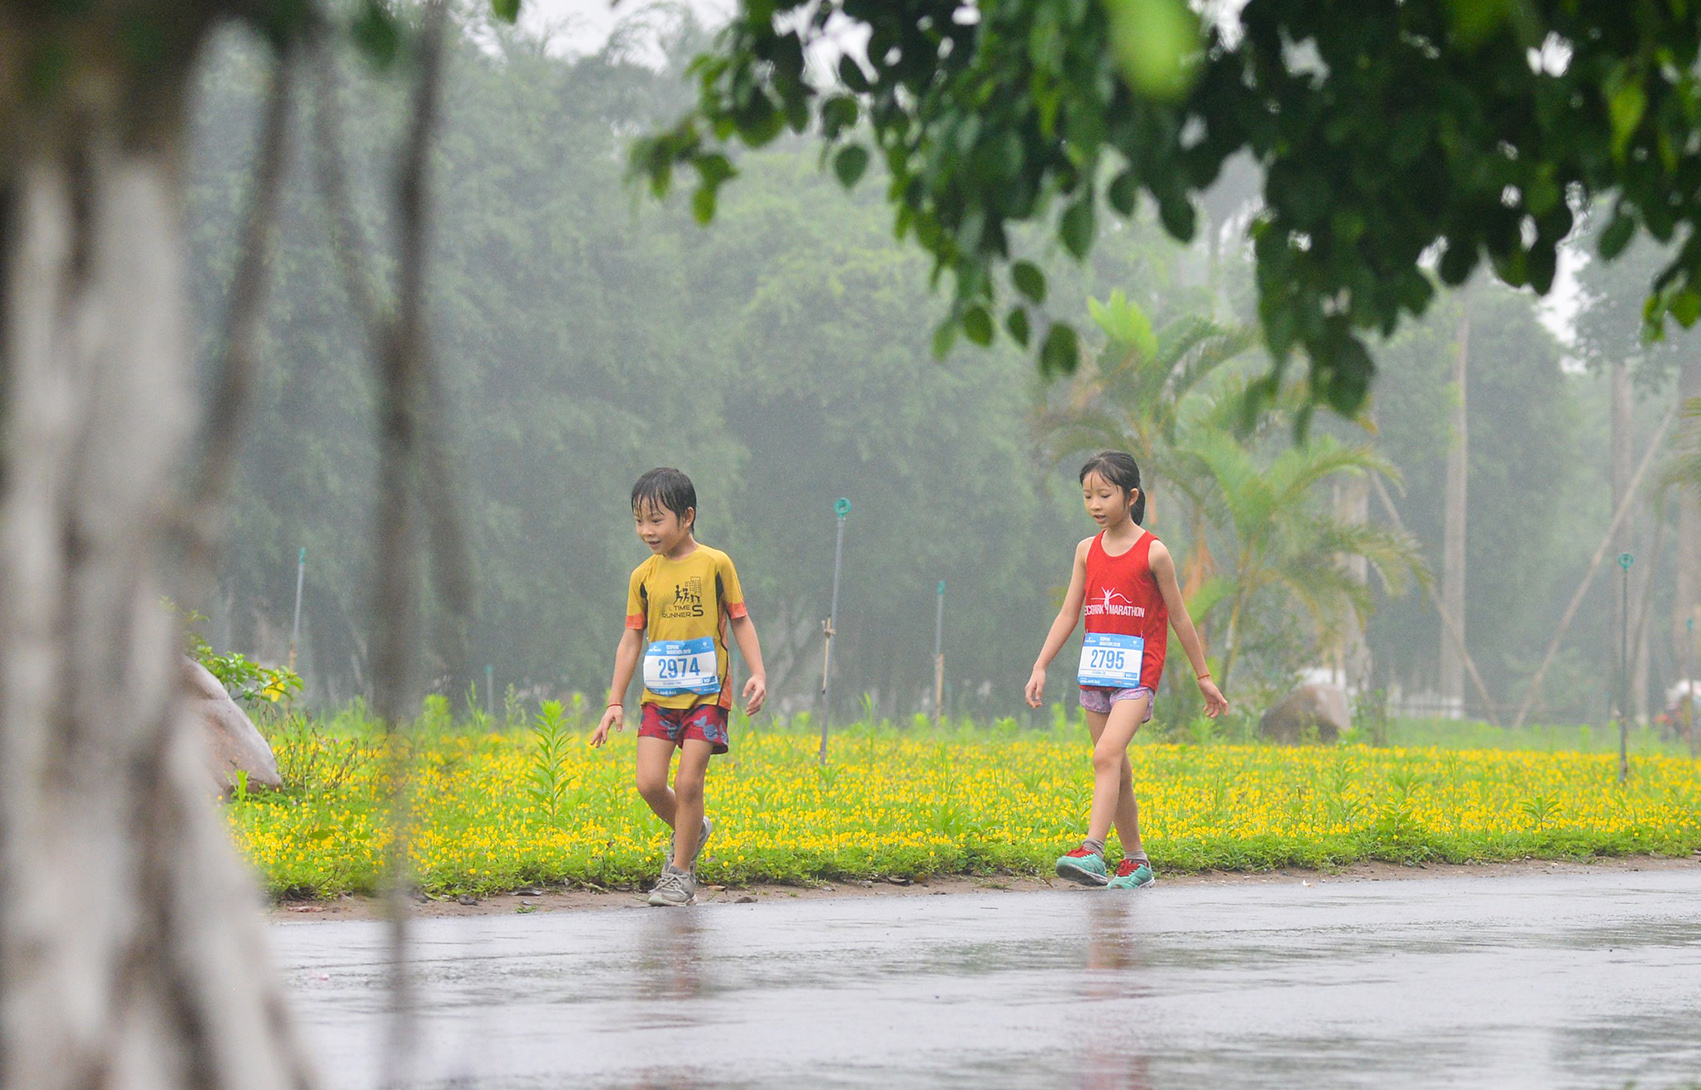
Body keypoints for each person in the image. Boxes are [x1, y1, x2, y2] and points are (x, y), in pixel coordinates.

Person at [1025, 451, 1227, 890]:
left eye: (1104, 494)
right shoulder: (1085, 551)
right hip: (1096, 675)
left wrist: (1203, 677)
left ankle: (1092, 851)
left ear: (1131, 496)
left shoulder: (1153, 552)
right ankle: (1136, 862)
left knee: (1105, 756)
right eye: (1087, 496)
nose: (1095, 505)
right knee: (1117, 770)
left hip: (1138, 676)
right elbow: (1067, 614)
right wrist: (1041, 664)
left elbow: (1180, 618)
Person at [591, 467, 767, 906]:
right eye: (639, 520)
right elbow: (631, 639)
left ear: (686, 517)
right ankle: (695, 828)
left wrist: (758, 673)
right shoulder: (643, 576)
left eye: (656, 519)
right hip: (659, 697)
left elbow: (740, 619)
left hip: (708, 695)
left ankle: (680, 874)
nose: (646, 531)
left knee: (689, 784)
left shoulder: (715, 564)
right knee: (650, 783)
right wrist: (615, 701)